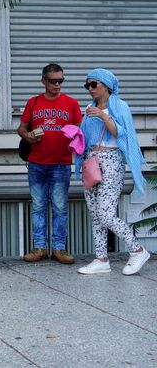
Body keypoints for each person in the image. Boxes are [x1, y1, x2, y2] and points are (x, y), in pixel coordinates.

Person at [76, 68, 151, 276]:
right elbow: (85, 136)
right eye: (87, 85)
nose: (89, 89)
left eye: (93, 84)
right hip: (91, 161)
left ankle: (138, 250)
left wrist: (102, 115)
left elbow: (122, 134)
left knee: (106, 213)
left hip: (111, 160)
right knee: (95, 213)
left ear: (106, 86)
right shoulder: (89, 107)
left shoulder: (119, 106)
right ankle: (101, 258)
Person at [18, 63, 83, 265]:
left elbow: (81, 131)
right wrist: (28, 136)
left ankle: (59, 248)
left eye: (60, 81)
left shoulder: (71, 103)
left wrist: (75, 138)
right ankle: (39, 247)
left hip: (61, 163)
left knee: (60, 207)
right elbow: (21, 128)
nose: (57, 85)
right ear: (43, 81)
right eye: (53, 81)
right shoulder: (34, 102)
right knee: (38, 206)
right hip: (36, 162)